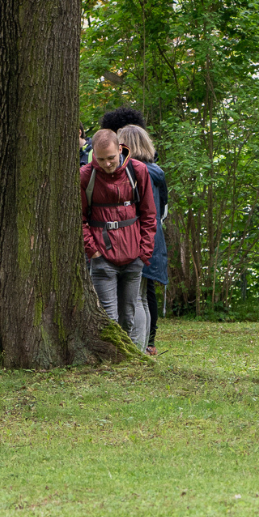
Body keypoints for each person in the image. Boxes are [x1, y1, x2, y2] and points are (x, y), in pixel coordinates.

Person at [81, 128, 157, 342]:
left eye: (111, 158)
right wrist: (93, 251)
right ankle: (111, 363)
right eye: (101, 159)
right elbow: (80, 219)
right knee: (108, 318)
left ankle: (130, 360)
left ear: (120, 150)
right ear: (94, 153)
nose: (107, 164)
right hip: (102, 257)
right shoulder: (86, 176)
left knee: (129, 315)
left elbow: (149, 214)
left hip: (133, 256)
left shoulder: (138, 171)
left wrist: (144, 251)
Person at [117, 123, 168, 355]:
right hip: (154, 239)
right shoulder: (158, 173)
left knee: (135, 298)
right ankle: (146, 346)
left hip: (136, 238)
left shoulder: (133, 172)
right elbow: (164, 211)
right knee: (144, 298)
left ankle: (136, 350)